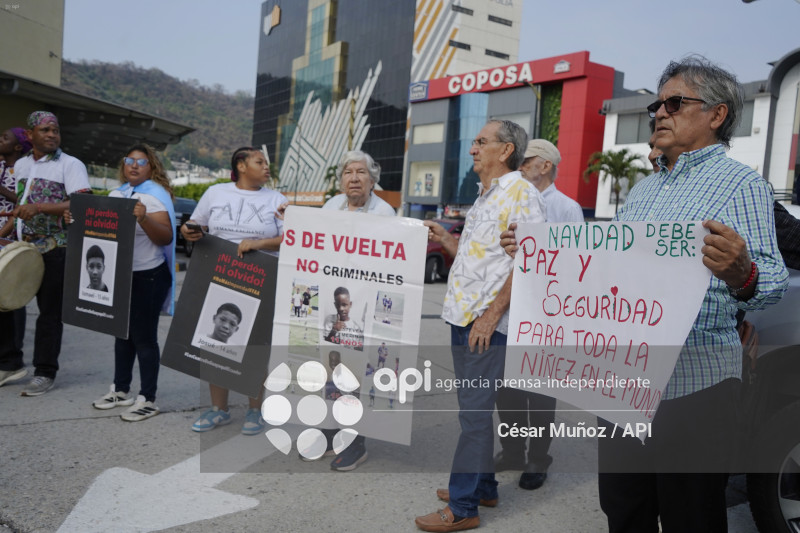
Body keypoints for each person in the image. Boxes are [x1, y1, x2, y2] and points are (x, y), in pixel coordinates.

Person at [501, 57, 788, 533]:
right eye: (657, 104)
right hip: (623, 383)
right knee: (623, 507)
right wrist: (536, 254)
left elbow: (771, 285)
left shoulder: (743, 185)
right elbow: (611, 271)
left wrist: (745, 273)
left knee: (691, 517)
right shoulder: (644, 191)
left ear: (716, 115)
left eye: (675, 103)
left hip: (696, 385)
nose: (659, 112)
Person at [415, 119, 545, 532]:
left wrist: (491, 316)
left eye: (480, 142)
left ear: (505, 150)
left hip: (486, 324)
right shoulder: (485, 195)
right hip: (462, 316)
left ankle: (464, 506)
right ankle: (484, 487)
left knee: (473, 415)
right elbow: (479, 259)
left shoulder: (521, 192)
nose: (473, 149)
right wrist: (446, 239)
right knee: (474, 412)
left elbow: (531, 263)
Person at [494, 138, 584, 491]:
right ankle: (512, 451)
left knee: (540, 393)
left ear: (545, 165)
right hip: (510, 314)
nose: (518, 166)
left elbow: (578, 263)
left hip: (546, 317)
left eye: (526, 160)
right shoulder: (512, 202)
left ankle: (537, 459)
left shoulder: (566, 208)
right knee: (507, 391)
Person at [182, 146, 288, 436]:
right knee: (217, 344)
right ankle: (219, 410)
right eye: (260, 162)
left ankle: (256, 410)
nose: (267, 167)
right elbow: (195, 225)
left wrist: (258, 244)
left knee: (255, 347)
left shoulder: (276, 199)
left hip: (262, 279)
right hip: (219, 277)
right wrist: (187, 231)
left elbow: (292, 237)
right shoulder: (216, 193)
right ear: (241, 165)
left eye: (266, 162)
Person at [89, 144, 175, 422]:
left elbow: (165, 238)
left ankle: (148, 398)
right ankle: (120, 389)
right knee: (122, 334)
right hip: (121, 276)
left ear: (152, 167)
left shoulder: (155, 196)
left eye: (141, 162)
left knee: (144, 338)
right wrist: (75, 221)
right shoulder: (117, 194)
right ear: (123, 166)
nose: (134, 166)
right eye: (129, 161)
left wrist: (144, 217)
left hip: (148, 275)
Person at [11, 111, 91, 396]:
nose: (51, 135)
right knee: (9, 303)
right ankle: (10, 363)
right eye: (44, 130)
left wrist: (42, 207)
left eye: (55, 130)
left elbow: (82, 203)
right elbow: (22, 204)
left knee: (49, 314)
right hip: (22, 248)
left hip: (56, 248)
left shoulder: (70, 165)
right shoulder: (21, 165)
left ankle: (45, 372)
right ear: (30, 134)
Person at [0, 127, 33, 389]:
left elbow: (22, 202)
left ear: (18, 147)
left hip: (10, 237)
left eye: (4, 138)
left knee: (11, 297)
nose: (0, 141)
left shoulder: (22, 169)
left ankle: (13, 354)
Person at [321, 150, 396, 216]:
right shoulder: (331, 206)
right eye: (348, 172)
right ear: (342, 182)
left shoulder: (384, 212)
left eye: (361, 172)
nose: (354, 179)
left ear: (372, 181)